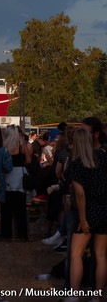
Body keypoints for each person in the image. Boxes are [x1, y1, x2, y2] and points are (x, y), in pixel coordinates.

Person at [66, 127, 107, 298]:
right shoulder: (104, 157)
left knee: (76, 254)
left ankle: (74, 295)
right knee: (101, 255)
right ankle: (97, 296)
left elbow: (80, 194)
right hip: (104, 208)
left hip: (88, 210)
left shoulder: (76, 165)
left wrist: (82, 219)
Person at [0, 125, 29, 241]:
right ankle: (22, 234)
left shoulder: (4, 146)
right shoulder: (21, 145)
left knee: (6, 209)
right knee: (21, 209)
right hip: (19, 179)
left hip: (7, 178)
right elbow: (28, 160)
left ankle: (6, 234)